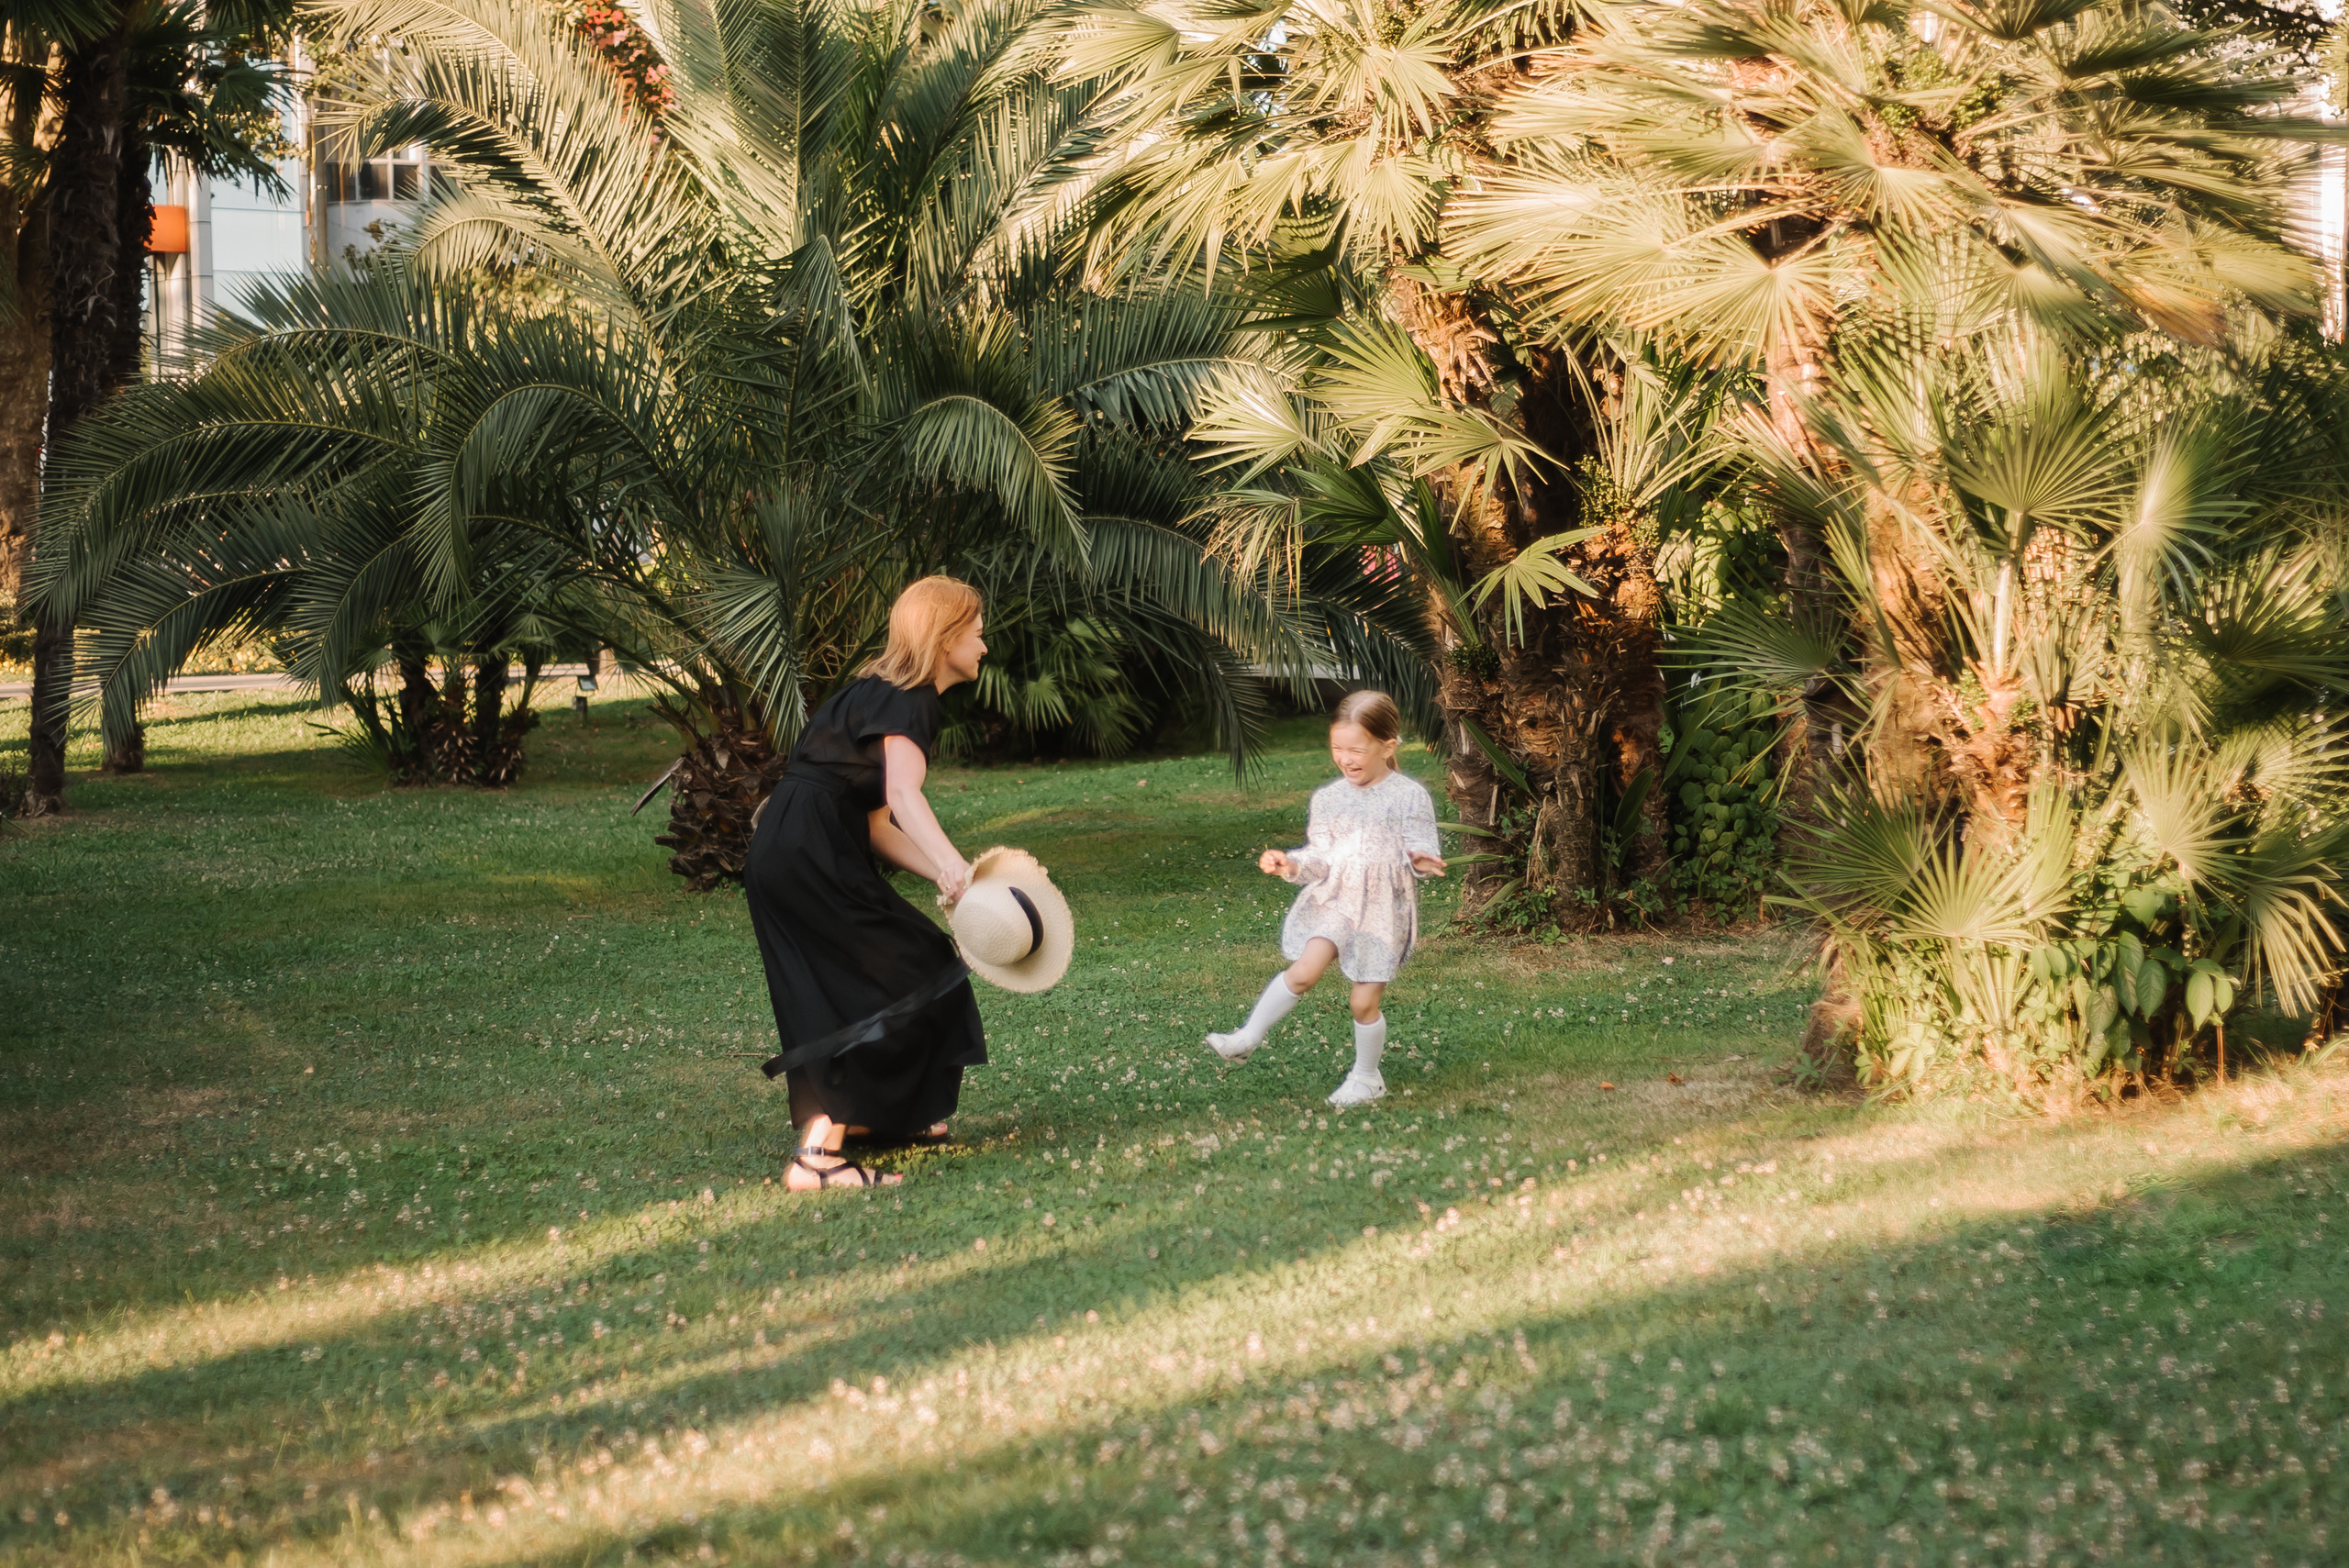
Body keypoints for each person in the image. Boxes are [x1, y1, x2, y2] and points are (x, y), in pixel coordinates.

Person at [745, 576, 987, 1189]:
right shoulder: (910, 699)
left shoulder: (881, 693)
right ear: (946, 636)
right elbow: (905, 794)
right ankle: (818, 1158)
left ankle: (887, 1118)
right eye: (977, 631)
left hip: (795, 845)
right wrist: (957, 865)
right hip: (808, 850)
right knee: (856, 990)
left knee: (920, 957)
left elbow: (878, 824)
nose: (985, 645)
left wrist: (948, 875)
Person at [1204, 690, 1444, 1107]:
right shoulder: (1329, 799)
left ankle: (1367, 1078)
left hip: (1383, 913)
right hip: (1336, 901)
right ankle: (1246, 1037)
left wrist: (1421, 861)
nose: (1346, 758)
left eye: (1356, 749)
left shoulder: (1409, 795)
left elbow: (1420, 845)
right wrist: (1290, 864)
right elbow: (1319, 858)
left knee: (1362, 1002)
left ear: (1387, 746)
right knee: (1302, 972)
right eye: (1337, 748)